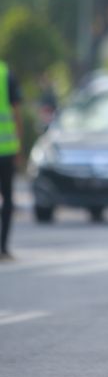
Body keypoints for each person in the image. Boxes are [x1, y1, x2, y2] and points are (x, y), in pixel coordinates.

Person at [0, 60, 22, 261]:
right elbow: (16, 112)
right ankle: (3, 248)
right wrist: (18, 144)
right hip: (6, 149)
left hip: (6, 150)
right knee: (7, 198)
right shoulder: (5, 74)